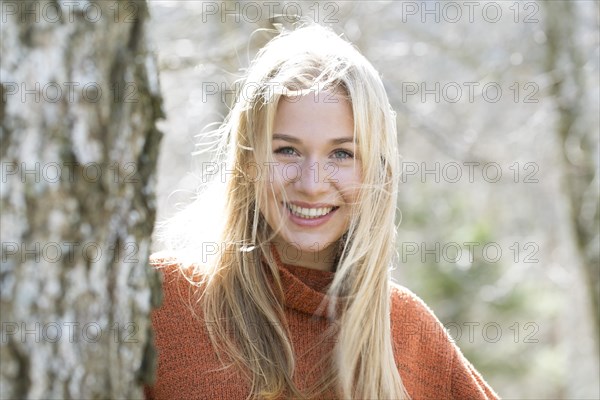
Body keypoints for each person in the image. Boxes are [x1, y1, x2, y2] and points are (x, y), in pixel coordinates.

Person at [145, 23, 499, 400]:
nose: (312, 183)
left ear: (376, 170)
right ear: (248, 162)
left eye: (342, 154)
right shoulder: (161, 301)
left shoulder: (407, 331)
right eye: (287, 150)